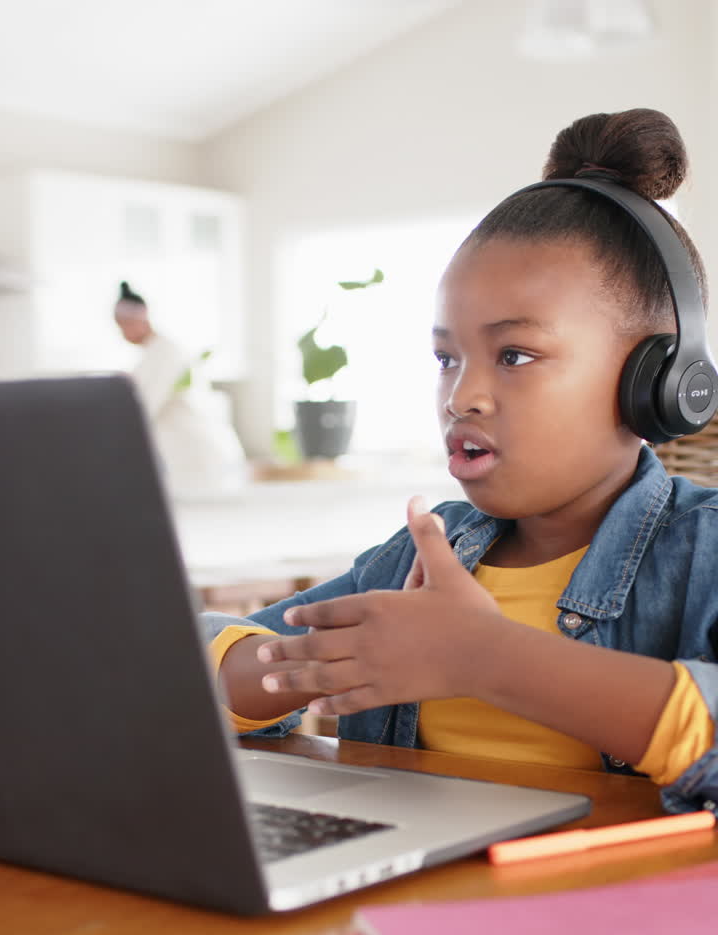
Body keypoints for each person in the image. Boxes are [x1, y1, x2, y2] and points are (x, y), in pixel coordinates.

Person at [199, 107, 718, 814]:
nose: (463, 395)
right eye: (447, 358)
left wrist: (482, 655)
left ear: (655, 382)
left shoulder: (703, 553)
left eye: (516, 355)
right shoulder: (424, 554)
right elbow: (207, 664)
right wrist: (301, 672)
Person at [114, 281, 244, 497]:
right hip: (173, 449)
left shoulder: (166, 352)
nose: (122, 333)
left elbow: (147, 403)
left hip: (189, 448)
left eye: (123, 325)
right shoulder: (151, 354)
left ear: (140, 319)